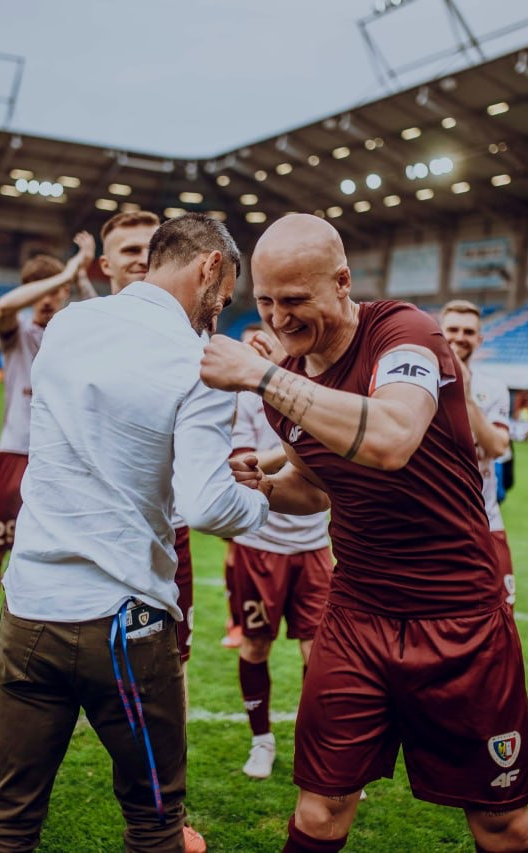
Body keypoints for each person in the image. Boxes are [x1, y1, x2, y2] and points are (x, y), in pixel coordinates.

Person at [200, 213, 528, 853]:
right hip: (357, 616)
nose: (279, 319)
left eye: (295, 300)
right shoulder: (289, 380)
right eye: (266, 301)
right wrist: (263, 488)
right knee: (320, 810)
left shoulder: (404, 333)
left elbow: (390, 438)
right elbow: (315, 486)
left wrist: (264, 376)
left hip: (459, 616)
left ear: (342, 282)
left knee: (501, 823)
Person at [0, 213, 268, 852]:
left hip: (29, 612)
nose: (218, 312)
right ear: (210, 266)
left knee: (4, 824)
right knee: (156, 825)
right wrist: (262, 501)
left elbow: (110, 443)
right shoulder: (201, 361)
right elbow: (207, 508)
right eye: (223, 297)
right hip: (124, 623)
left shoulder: (69, 324)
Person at [0, 235, 96, 675]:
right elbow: (4, 307)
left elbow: (103, 321)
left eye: (59, 292)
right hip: (16, 454)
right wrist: (65, 274)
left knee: (58, 557)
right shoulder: (17, 334)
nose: (49, 300)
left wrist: (78, 277)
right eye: (43, 291)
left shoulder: (75, 340)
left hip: (63, 460)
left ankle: (40, 647)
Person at [226, 324, 331, 781]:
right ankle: (261, 740)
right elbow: (242, 465)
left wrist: (291, 444)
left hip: (313, 546)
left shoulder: (318, 387)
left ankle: (317, 746)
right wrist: (305, 438)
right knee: (255, 644)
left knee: (319, 653)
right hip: (260, 545)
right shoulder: (246, 400)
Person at [99, 211, 200, 667]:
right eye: (130, 250)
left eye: (151, 249)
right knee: (88, 657)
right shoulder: (84, 330)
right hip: (102, 527)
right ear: (106, 265)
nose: (143, 259)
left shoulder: (193, 332)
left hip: (170, 530)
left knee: (174, 661)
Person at [440, 299, 515, 609]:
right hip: (434, 525)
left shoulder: (494, 389)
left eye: (468, 332)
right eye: (453, 329)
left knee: (502, 615)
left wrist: (467, 397)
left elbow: (497, 447)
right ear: (438, 333)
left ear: (479, 339)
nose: (460, 337)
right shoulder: (417, 385)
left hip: (485, 522)